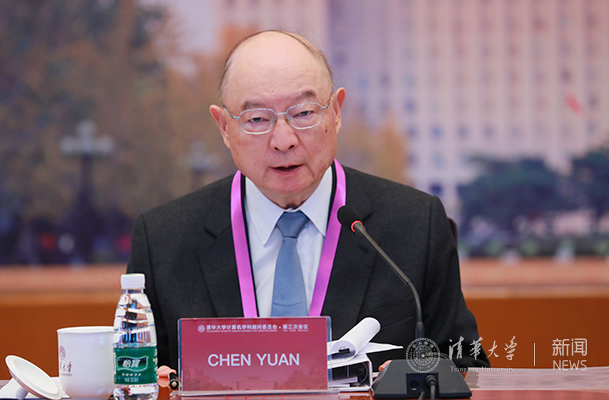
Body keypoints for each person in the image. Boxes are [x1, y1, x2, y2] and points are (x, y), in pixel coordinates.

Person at [127, 30, 490, 381]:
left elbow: (467, 368)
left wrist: (416, 379)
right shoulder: (163, 240)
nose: (283, 140)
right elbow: (134, 374)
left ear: (336, 111)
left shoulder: (416, 225)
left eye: (303, 113)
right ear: (224, 127)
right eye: (257, 119)